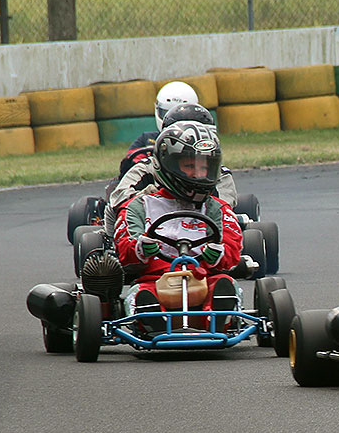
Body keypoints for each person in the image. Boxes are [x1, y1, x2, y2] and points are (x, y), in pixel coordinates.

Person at [114, 120, 243, 332]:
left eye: (204, 167)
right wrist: (140, 248)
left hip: (203, 276)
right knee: (142, 293)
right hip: (155, 280)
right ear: (168, 164)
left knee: (223, 284)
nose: (197, 174)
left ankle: (217, 319)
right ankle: (153, 320)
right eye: (189, 166)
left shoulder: (217, 208)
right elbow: (124, 249)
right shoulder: (139, 205)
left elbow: (232, 248)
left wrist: (218, 254)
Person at [103, 102, 238, 234]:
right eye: (189, 165)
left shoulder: (218, 174)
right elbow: (118, 200)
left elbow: (224, 209)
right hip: (150, 235)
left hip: (203, 233)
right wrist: (152, 197)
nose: (197, 172)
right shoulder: (147, 168)